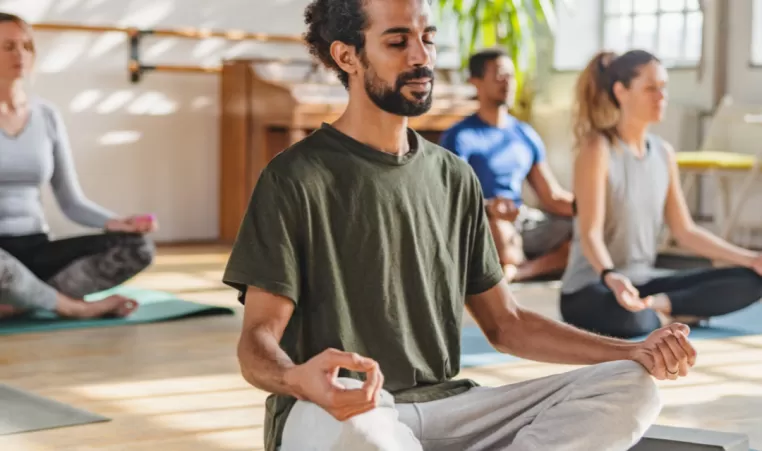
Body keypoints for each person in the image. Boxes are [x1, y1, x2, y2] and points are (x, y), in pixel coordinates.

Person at [223, 2, 697, 450]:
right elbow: (257, 341)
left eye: (426, 38)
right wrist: (296, 379)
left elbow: (507, 325)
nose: (421, 56)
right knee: (365, 433)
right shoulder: (295, 178)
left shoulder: (454, 176)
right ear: (346, 55)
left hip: (447, 404)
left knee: (631, 386)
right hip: (341, 411)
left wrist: (633, 350)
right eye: (397, 42)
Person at [560, 49, 762, 339]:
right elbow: (589, 233)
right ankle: (672, 313)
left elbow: (685, 231)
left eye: (664, 88)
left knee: (752, 281)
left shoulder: (663, 154)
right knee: (628, 320)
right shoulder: (597, 149)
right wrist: (610, 275)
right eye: (651, 89)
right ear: (621, 91)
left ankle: (660, 308)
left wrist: (750, 259)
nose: (661, 97)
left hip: (643, 283)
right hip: (593, 286)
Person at [0, 13, 157, 320]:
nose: (20, 54)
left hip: (35, 248)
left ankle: (18, 301)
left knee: (139, 248)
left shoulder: (47, 116)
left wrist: (119, 222)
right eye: (7, 46)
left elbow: (71, 202)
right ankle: (73, 307)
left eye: (26, 46)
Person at [440, 47, 574, 282]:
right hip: (484, 219)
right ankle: (510, 266)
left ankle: (519, 272)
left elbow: (551, 196)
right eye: (500, 75)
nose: (508, 82)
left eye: (511, 75)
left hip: (522, 218)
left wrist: (593, 209)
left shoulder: (525, 134)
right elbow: (452, 196)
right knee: (499, 228)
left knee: (584, 230)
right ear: (476, 82)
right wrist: (489, 207)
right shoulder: (459, 136)